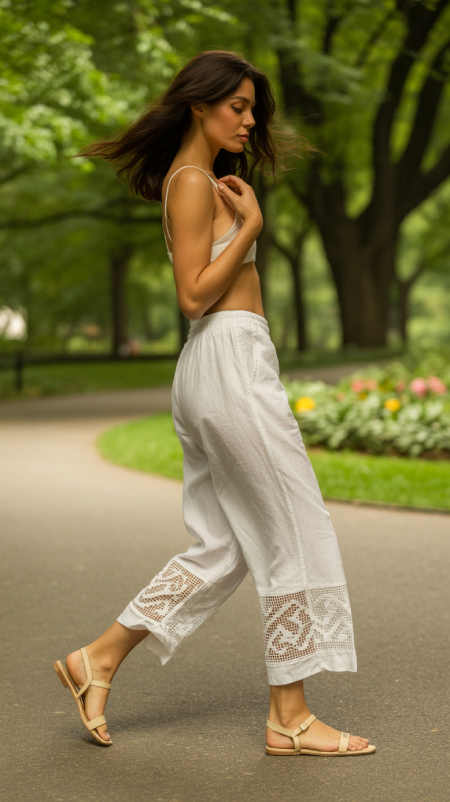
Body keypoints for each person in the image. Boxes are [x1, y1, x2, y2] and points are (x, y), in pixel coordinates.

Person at [53, 49, 376, 757]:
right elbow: (195, 294)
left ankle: (97, 660)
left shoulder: (198, 179)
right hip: (226, 358)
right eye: (237, 105)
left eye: (253, 106)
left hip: (223, 362)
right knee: (295, 526)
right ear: (199, 104)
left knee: (227, 547)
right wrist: (253, 231)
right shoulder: (194, 181)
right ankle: (290, 717)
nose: (250, 118)